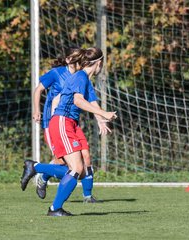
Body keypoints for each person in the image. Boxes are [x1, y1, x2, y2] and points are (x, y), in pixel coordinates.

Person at [21, 47, 117, 216]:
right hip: (62, 121)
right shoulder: (80, 77)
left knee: (77, 170)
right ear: (99, 63)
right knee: (75, 169)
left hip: (69, 123)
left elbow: (92, 102)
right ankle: (51, 199)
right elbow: (78, 101)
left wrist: (101, 119)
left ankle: (39, 175)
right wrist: (104, 113)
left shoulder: (84, 79)